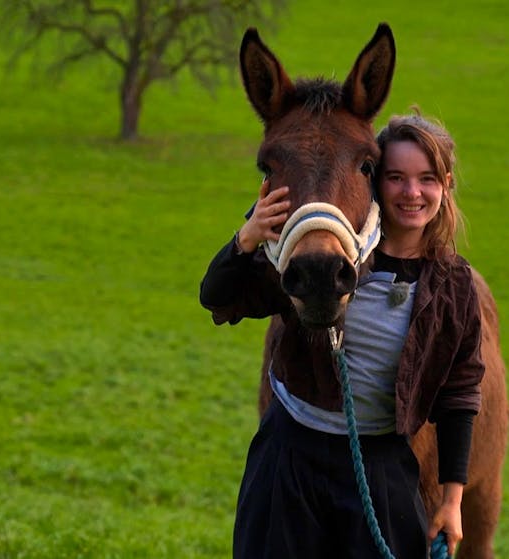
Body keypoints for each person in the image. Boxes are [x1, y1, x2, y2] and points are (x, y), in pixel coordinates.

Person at [199, 113, 484, 558]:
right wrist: (246, 238)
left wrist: (452, 502)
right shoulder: (324, 261)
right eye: (395, 177)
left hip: (382, 463)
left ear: (445, 185)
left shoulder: (453, 286)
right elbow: (217, 297)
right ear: (374, 182)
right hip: (291, 456)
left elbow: (460, 394)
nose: (411, 193)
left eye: (426, 179)